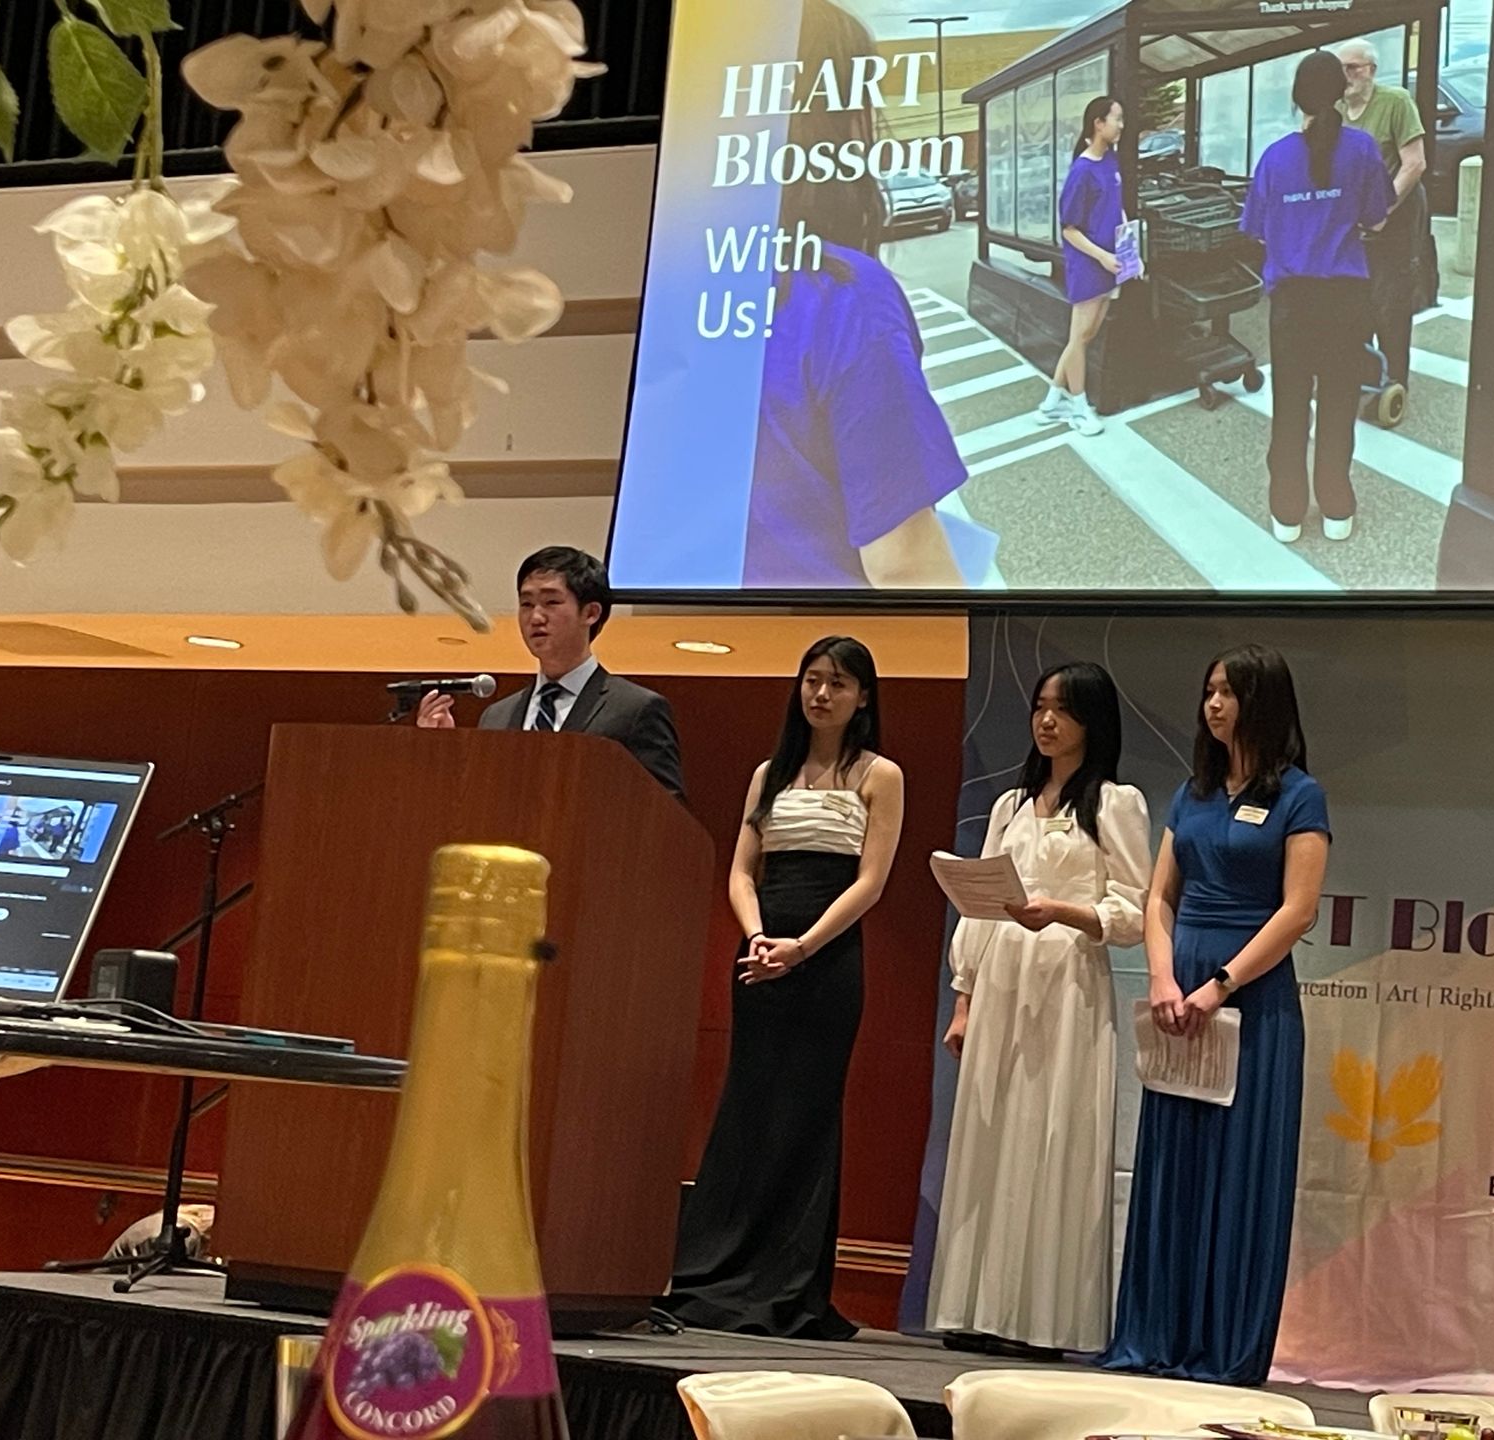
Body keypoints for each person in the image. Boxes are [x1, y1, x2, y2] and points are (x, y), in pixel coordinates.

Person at [1102, 644, 1331, 1386]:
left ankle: (1222, 1349)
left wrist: (1220, 985)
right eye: (1207, 691)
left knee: (1240, 1172)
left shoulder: (1300, 795)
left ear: (1262, 702)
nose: (1213, 705)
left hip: (1250, 999)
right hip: (1180, 993)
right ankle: (1155, 1337)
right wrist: (1165, 977)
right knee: (1176, 1165)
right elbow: (1160, 896)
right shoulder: (1191, 793)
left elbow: (1296, 912)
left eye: (1227, 692)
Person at [669, 636, 905, 1338]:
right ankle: (715, 1271)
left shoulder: (879, 775)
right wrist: (758, 937)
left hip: (826, 958)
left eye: (837, 683)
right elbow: (742, 871)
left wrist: (801, 948)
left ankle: (786, 1286)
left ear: (863, 696)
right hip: (761, 953)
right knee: (747, 1107)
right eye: (811, 680)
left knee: (805, 1113)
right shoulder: (770, 773)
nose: (821, 694)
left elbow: (871, 881)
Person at [927, 662, 1151, 1358]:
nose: (1047, 721)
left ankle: (1044, 1322)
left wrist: (1064, 910)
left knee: (1053, 1134)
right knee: (992, 1136)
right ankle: (978, 1306)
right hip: (1001, 981)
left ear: (1093, 720)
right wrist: (963, 1001)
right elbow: (980, 909)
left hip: (1067, 983)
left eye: (1063, 709)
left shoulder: (1116, 803)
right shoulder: (1011, 806)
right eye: (1040, 707)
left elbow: (1134, 910)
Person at [743, 0, 970, 590]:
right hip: (839, 657)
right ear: (840, 123)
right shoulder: (844, 295)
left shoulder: (699, 282)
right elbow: (904, 565)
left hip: (714, 641)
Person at [1239, 51, 1395, 545]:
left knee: (1290, 406)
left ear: (1295, 98)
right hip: (1346, 299)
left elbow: (1257, 231)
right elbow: (1378, 218)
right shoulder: (1364, 150)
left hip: (1292, 302)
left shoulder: (1274, 158)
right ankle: (1336, 507)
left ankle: (1287, 512)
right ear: (1341, 92)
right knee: (1338, 402)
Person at [416, 545, 686, 802]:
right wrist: (445, 750)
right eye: (526, 604)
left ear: (591, 612)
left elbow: (665, 812)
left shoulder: (635, 708)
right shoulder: (496, 716)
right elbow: (478, 800)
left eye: (551, 602)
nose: (535, 617)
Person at [1337, 39, 1431, 399]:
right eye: (1341, 69)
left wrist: (1382, 211)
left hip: (1398, 212)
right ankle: (1363, 368)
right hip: (1355, 218)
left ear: (1371, 71)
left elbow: (1415, 164)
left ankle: (1395, 381)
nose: (1347, 76)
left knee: (1390, 298)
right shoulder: (1335, 108)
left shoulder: (1395, 103)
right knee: (1355, 295)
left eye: (1354, 68)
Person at [1039, 96, 1127, 439]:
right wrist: (1102, 256)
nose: (1121, 125)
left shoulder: (1111, 161)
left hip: (1111, 262)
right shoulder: (1082, 172)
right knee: (1079, 337)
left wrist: (1129, 249)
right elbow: (1069, 229)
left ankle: (1051, 402)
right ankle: (1078, 407)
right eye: (1116, 119)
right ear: (1098, 123)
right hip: (1089, 265)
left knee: (1086, 335)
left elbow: (1116, 209)